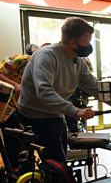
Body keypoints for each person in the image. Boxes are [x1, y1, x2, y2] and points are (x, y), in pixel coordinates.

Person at [19, 17, 98, 163]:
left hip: (56, 114)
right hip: (37, 115)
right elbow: (44, 92)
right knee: (56, 165)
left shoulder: (78, 62)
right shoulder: (46, 55)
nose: (89, 46)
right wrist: (75, 110)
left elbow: (95, 87)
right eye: (87, 42)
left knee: (60, 159)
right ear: (73, 43)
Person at [0, 43, 39, 169]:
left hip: (23, 106)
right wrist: (15, 85)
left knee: (26, 140)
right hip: (7, 105)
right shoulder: (19, 60)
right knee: (11, 140)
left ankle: (26, 172)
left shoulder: (45, 67)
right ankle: (13, 175)